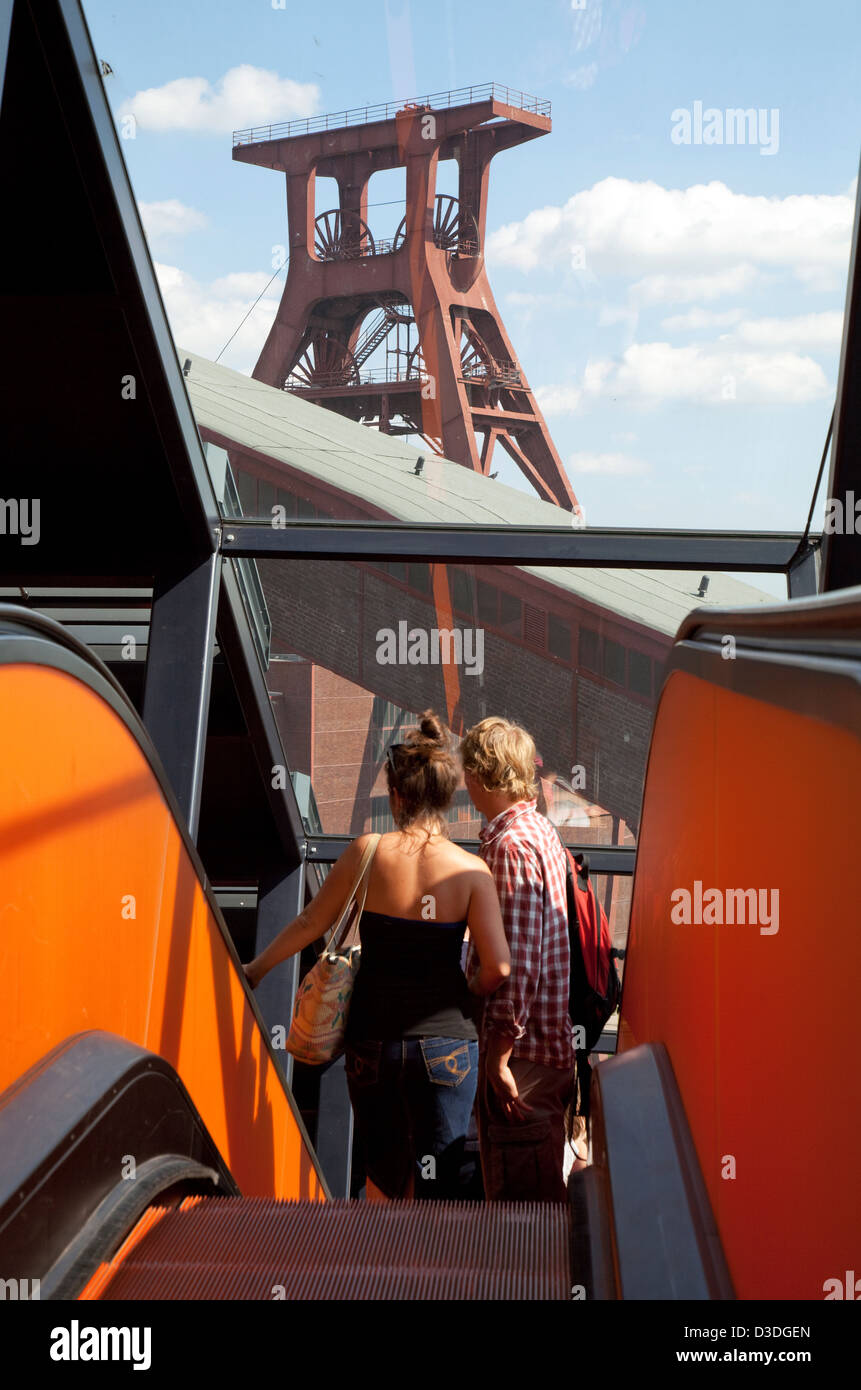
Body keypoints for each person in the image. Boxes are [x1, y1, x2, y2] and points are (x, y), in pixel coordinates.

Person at [244, 711, 510, 1202]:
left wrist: (256, 970)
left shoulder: (366, 852)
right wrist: (465, 997)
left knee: (384, 1177)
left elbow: (310, 924)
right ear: (446, 799)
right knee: (440, 1181)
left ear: (396, 795)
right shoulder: (472, 872)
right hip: (446, 1046)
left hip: (374, 1043)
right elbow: (498, 967)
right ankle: (429, 1276)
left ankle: (378, 1270)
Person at [460, 716, 576, 1204]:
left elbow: (518, 962)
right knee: (538, 1193)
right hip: (548, 1051)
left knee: (518, 1210)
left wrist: (499, 1058)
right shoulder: (540, 830)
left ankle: (528, 1286)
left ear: (481, 774)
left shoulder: (510, 846)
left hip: (524, 1061)